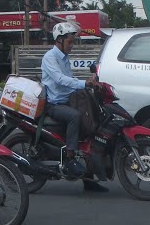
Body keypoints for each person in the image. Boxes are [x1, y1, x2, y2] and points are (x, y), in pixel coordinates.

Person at [41, 21, 105, 193]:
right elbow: (61, 80)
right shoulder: (50, 57)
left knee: (91, 120)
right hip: (54, 104)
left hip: (67, 99)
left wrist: (91, 85)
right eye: (70, 42)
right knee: (75, 116)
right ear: (59, 40)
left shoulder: (64, 58)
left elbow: (70, 81)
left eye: (73, 42)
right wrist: (84, 83)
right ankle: (69, 158)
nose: (72, 45)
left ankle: (89, 180)